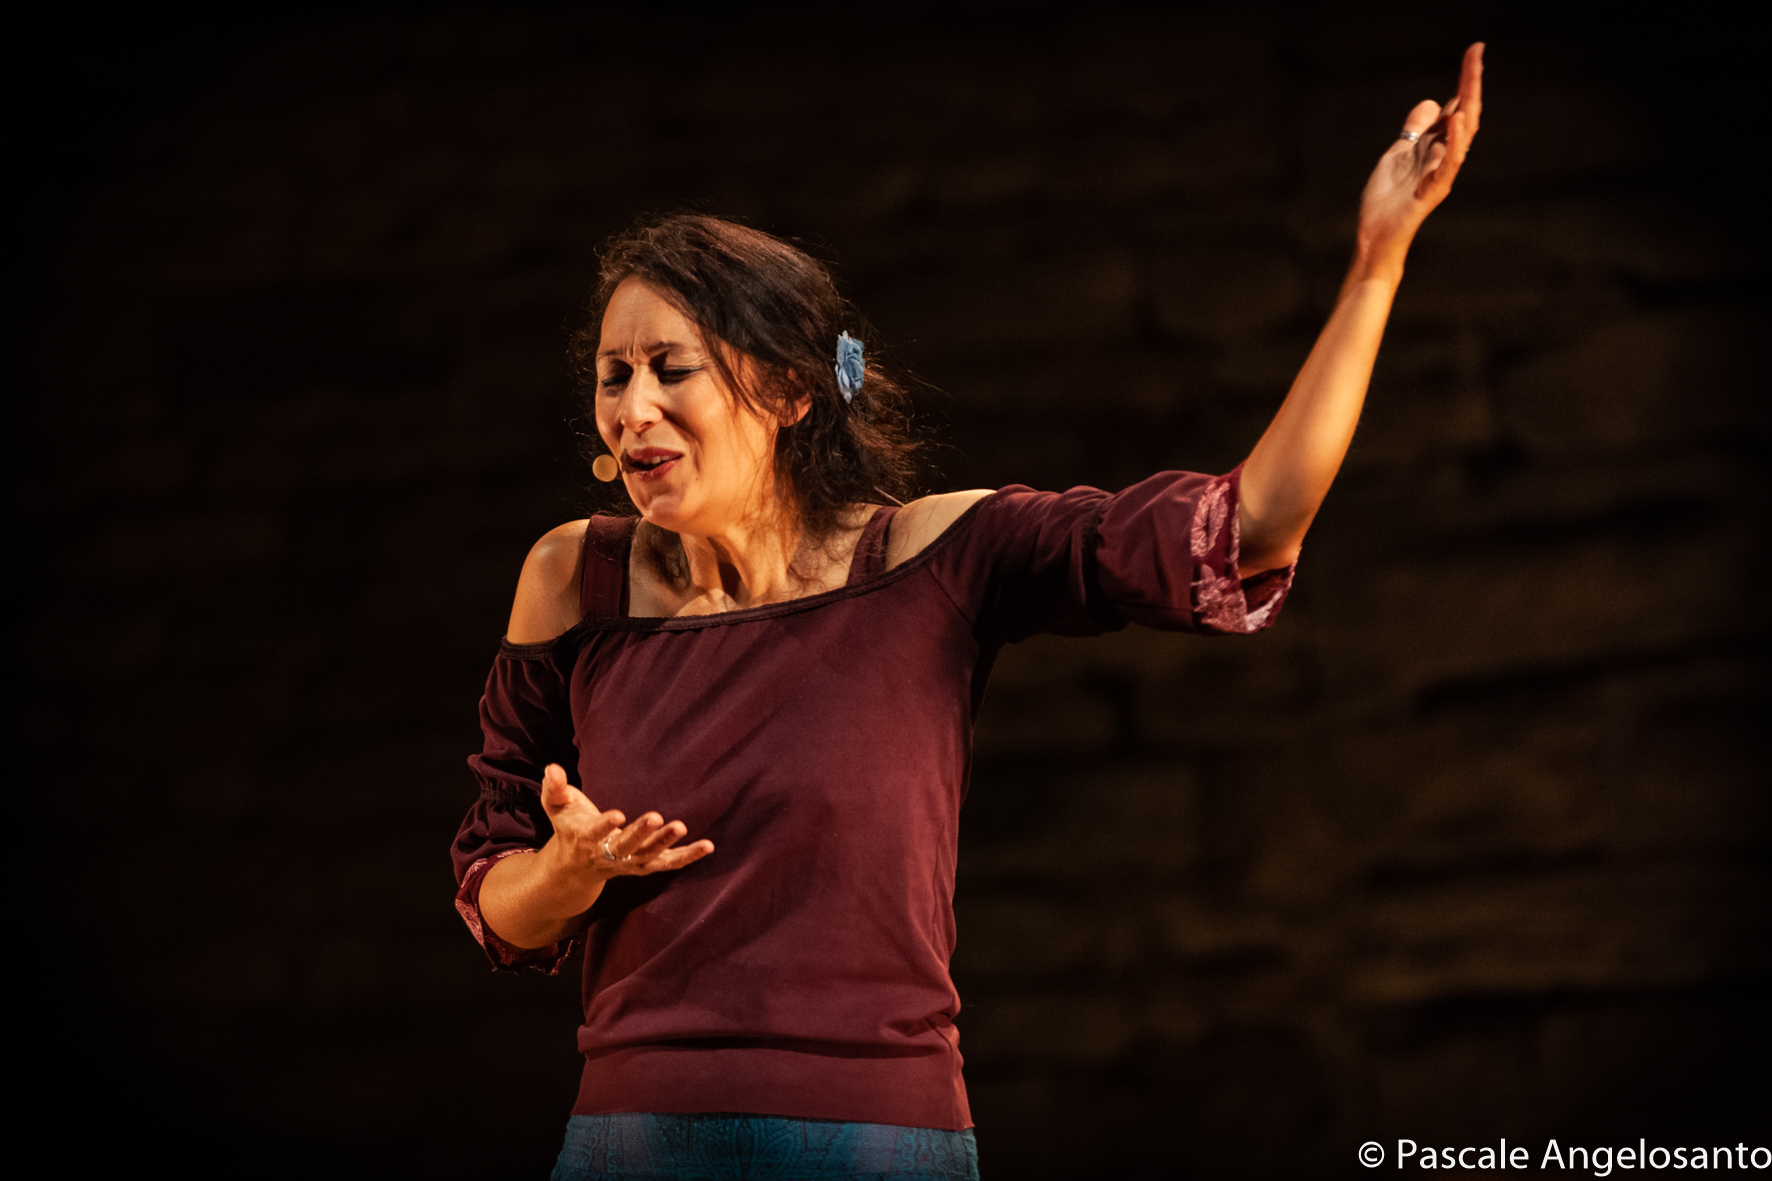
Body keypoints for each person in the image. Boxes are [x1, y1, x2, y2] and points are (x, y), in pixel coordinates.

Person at [452, 44, 1483, 1181]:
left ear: (788, 391)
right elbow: (496, 897)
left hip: (877, 1141)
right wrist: (568, 872)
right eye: (613, 376)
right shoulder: (576, 579)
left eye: (671, 369)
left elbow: (1251, 528)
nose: (632, 408)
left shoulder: (938, 560)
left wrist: (1375, 264)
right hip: (633, 1143)